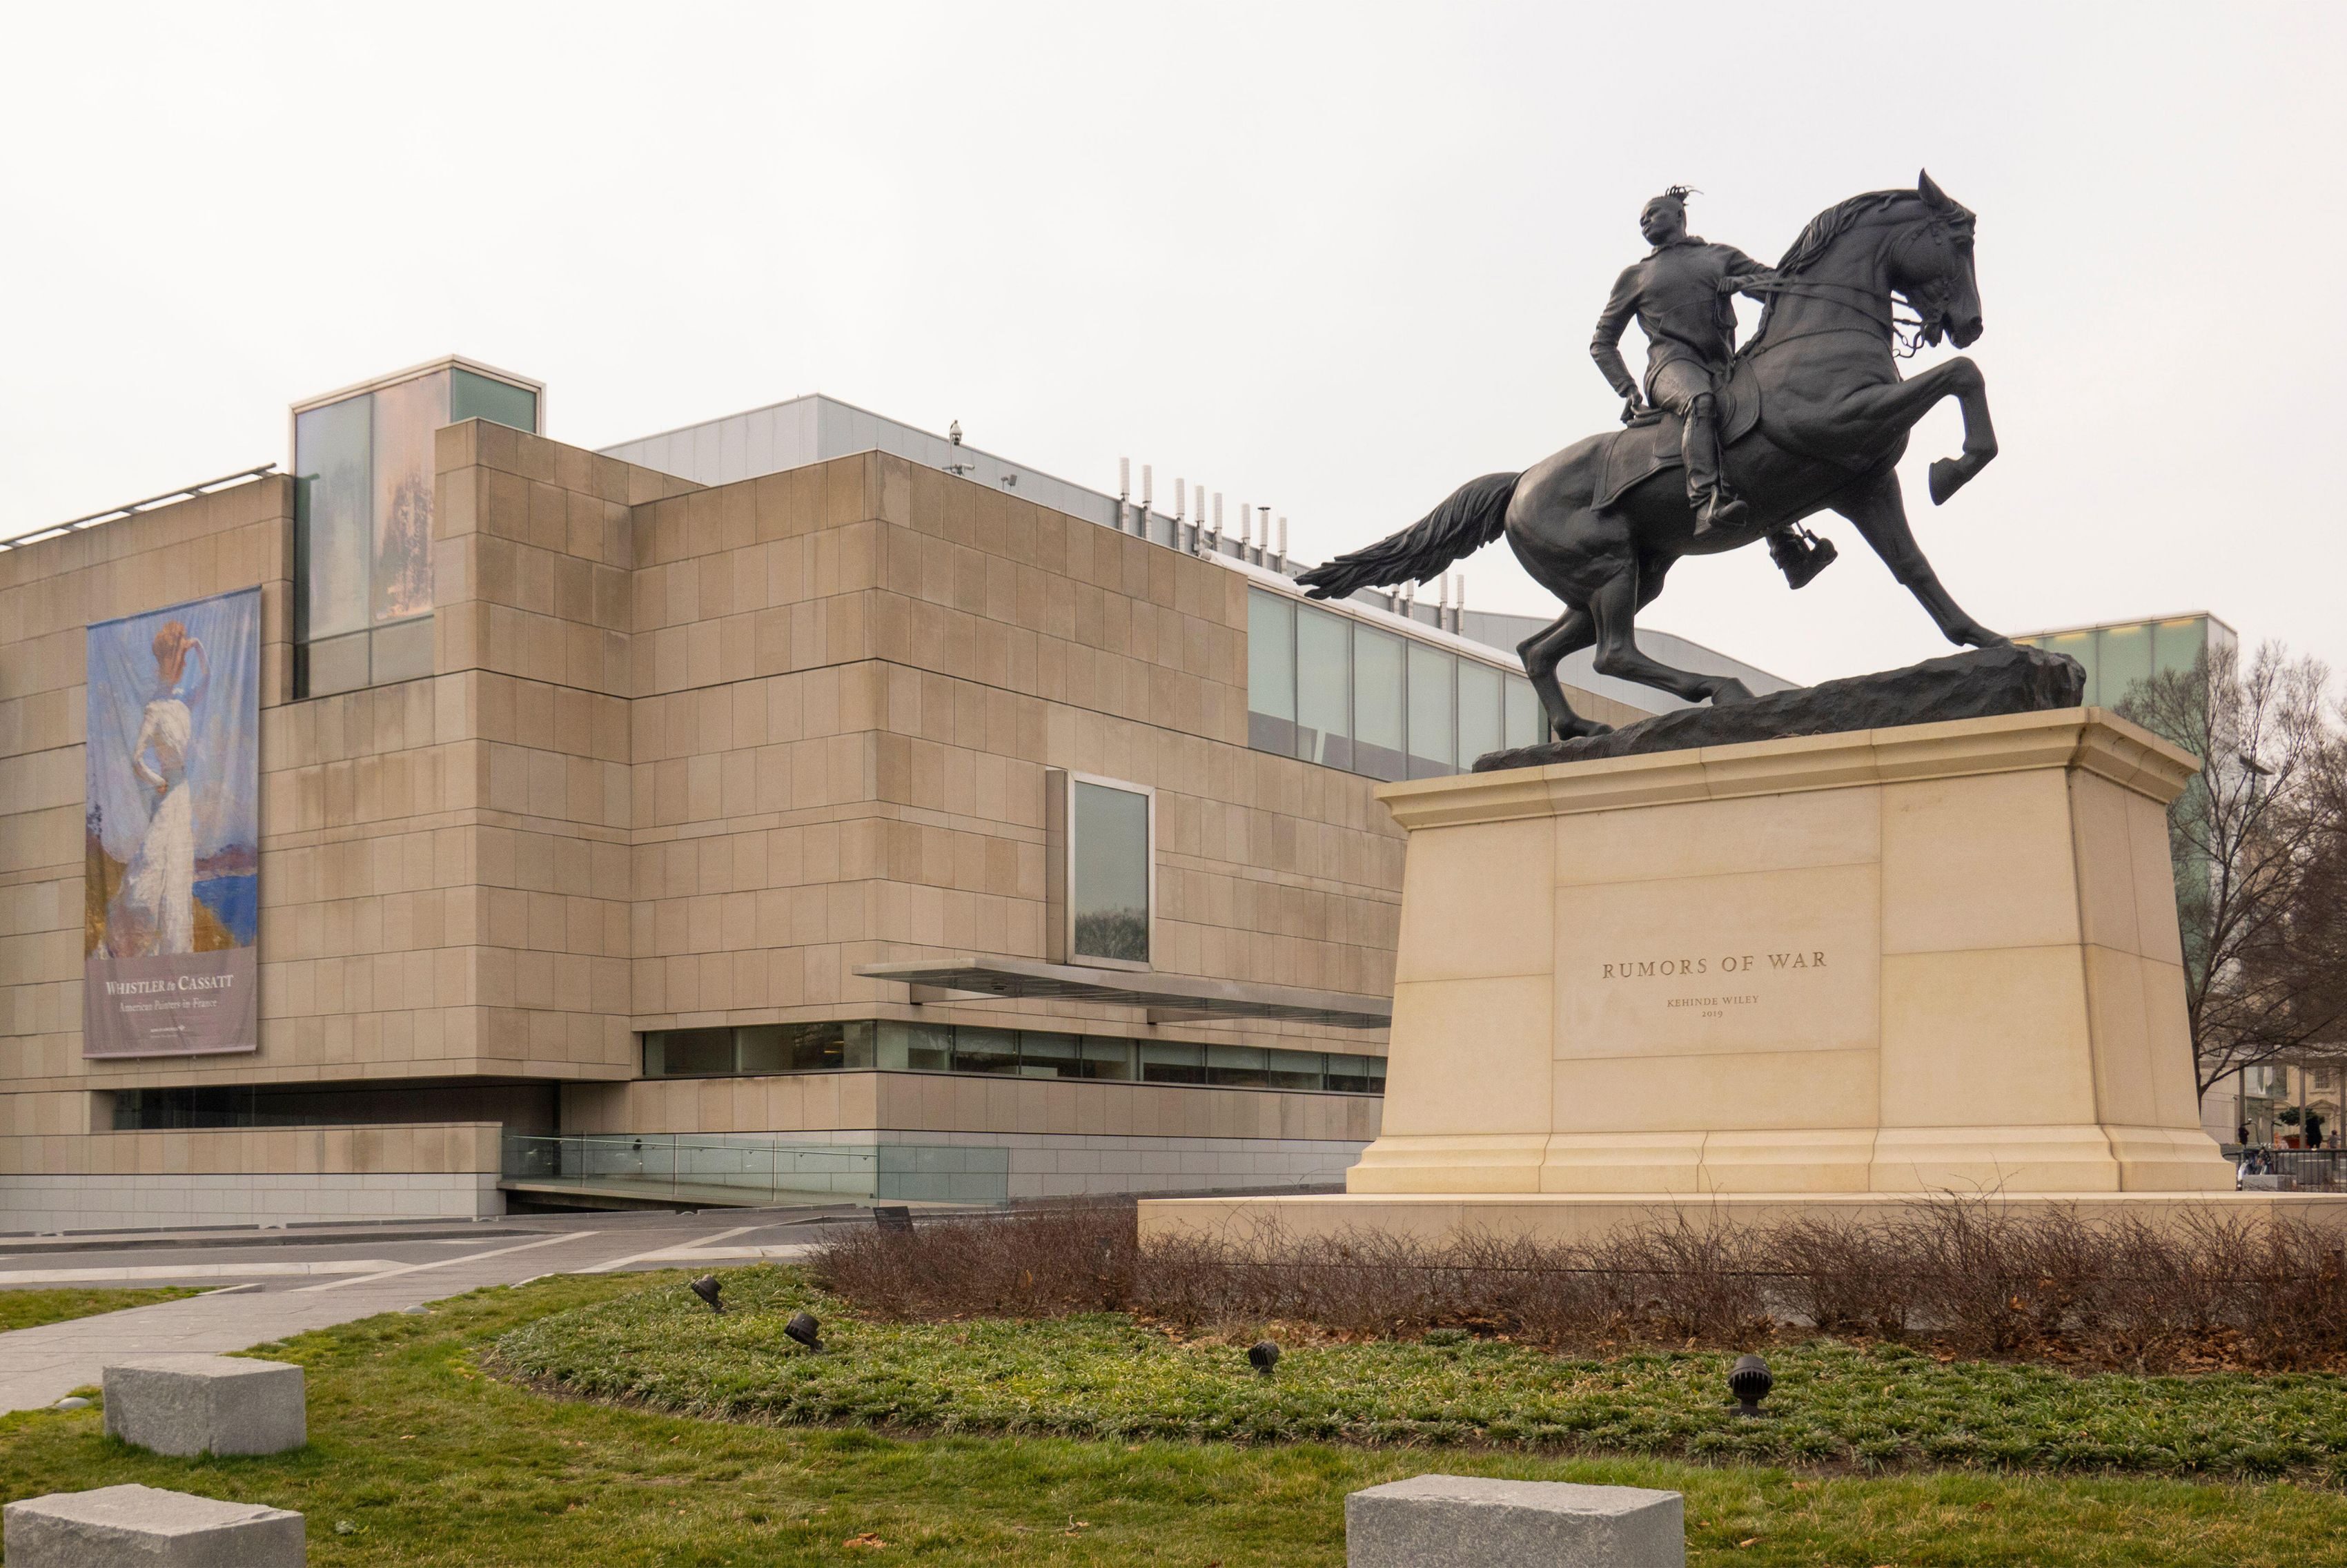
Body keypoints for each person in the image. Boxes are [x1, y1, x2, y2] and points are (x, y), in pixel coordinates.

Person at [1590, 186, 1836, 586]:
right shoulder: (1635, 276)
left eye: (1654, 213)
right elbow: (1602, 342)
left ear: (1679, 217)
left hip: (1724, 367)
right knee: (1701, 404)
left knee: (1760, 430)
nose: (1645, 221)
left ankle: (1789, 552)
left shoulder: (1718, 256)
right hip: (1672, 368)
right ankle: (1705, 502)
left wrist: (1741, 283)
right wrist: (1627, 389)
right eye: (1641, 218)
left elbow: (1776, 287)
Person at [106, 620, 208, 958]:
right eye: (180, 657)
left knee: (179, 867)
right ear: (169, 661)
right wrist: (158, 781)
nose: (183, 665)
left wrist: (198, 648)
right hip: (170, 790)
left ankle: (175, 949)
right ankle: (133, 936)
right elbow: (136, 759)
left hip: (184, 793)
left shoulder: (182, 702)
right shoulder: (155, 708)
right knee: (153, 862)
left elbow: (207, 679)